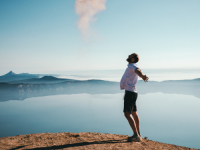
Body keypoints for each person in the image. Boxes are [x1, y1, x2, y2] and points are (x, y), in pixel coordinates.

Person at [120, 53, 149, 142]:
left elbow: (137, 71)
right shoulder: (131, 65)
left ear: (132, 59)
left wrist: (142, 76)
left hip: (130, 93)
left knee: (127, 113)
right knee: (134, 112)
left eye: (130, 55)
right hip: (132, 92)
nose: (128, 55)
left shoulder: (132, 65)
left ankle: (136, 135)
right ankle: (138, 134)